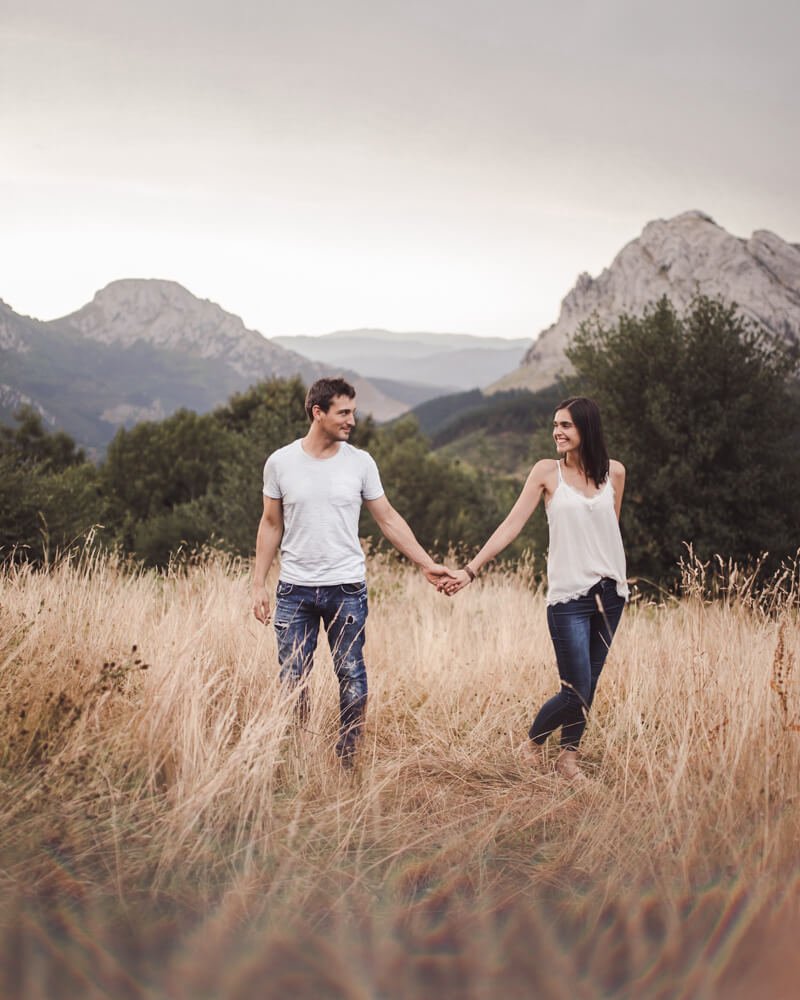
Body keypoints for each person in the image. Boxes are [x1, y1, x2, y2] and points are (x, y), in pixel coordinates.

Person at [252, 376, 453, 765]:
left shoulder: (361, 463)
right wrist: (258, 583)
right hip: (294, 590)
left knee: (351, 673)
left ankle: (348, 756)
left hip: (346, 589)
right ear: (318, 413)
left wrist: (426, 564)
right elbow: (270, 523)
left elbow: (388, 518)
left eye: (353, 413)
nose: (352, 421)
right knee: (293, 678)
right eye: (344, 413)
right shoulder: (280, 463)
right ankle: (300, 755)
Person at [441, 396, 628, 780]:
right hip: (568, 598)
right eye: (555, 425)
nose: (557, 432)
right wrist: (471, 570)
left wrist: (615, 578)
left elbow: (611, 529)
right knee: (575, 688)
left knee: (589, 684)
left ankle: (569, 758)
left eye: (566, 426)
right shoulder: (547, 473)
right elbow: (512, 525)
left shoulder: (616, 473)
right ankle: (532, 744)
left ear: (586, 429)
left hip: (611, 595)